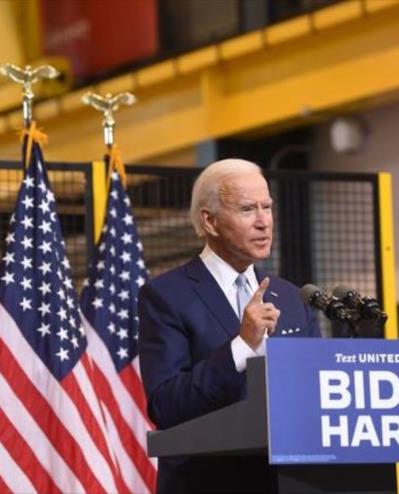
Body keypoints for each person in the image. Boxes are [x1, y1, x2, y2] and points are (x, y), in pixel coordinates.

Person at [138, 158, 321, 493]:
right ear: (210, 221)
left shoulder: (293, 297)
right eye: (248, 209)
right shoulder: (166, 297)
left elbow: (316, 395)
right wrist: (241, 346)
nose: (264, 222)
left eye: (267, 206)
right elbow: (166, 406)